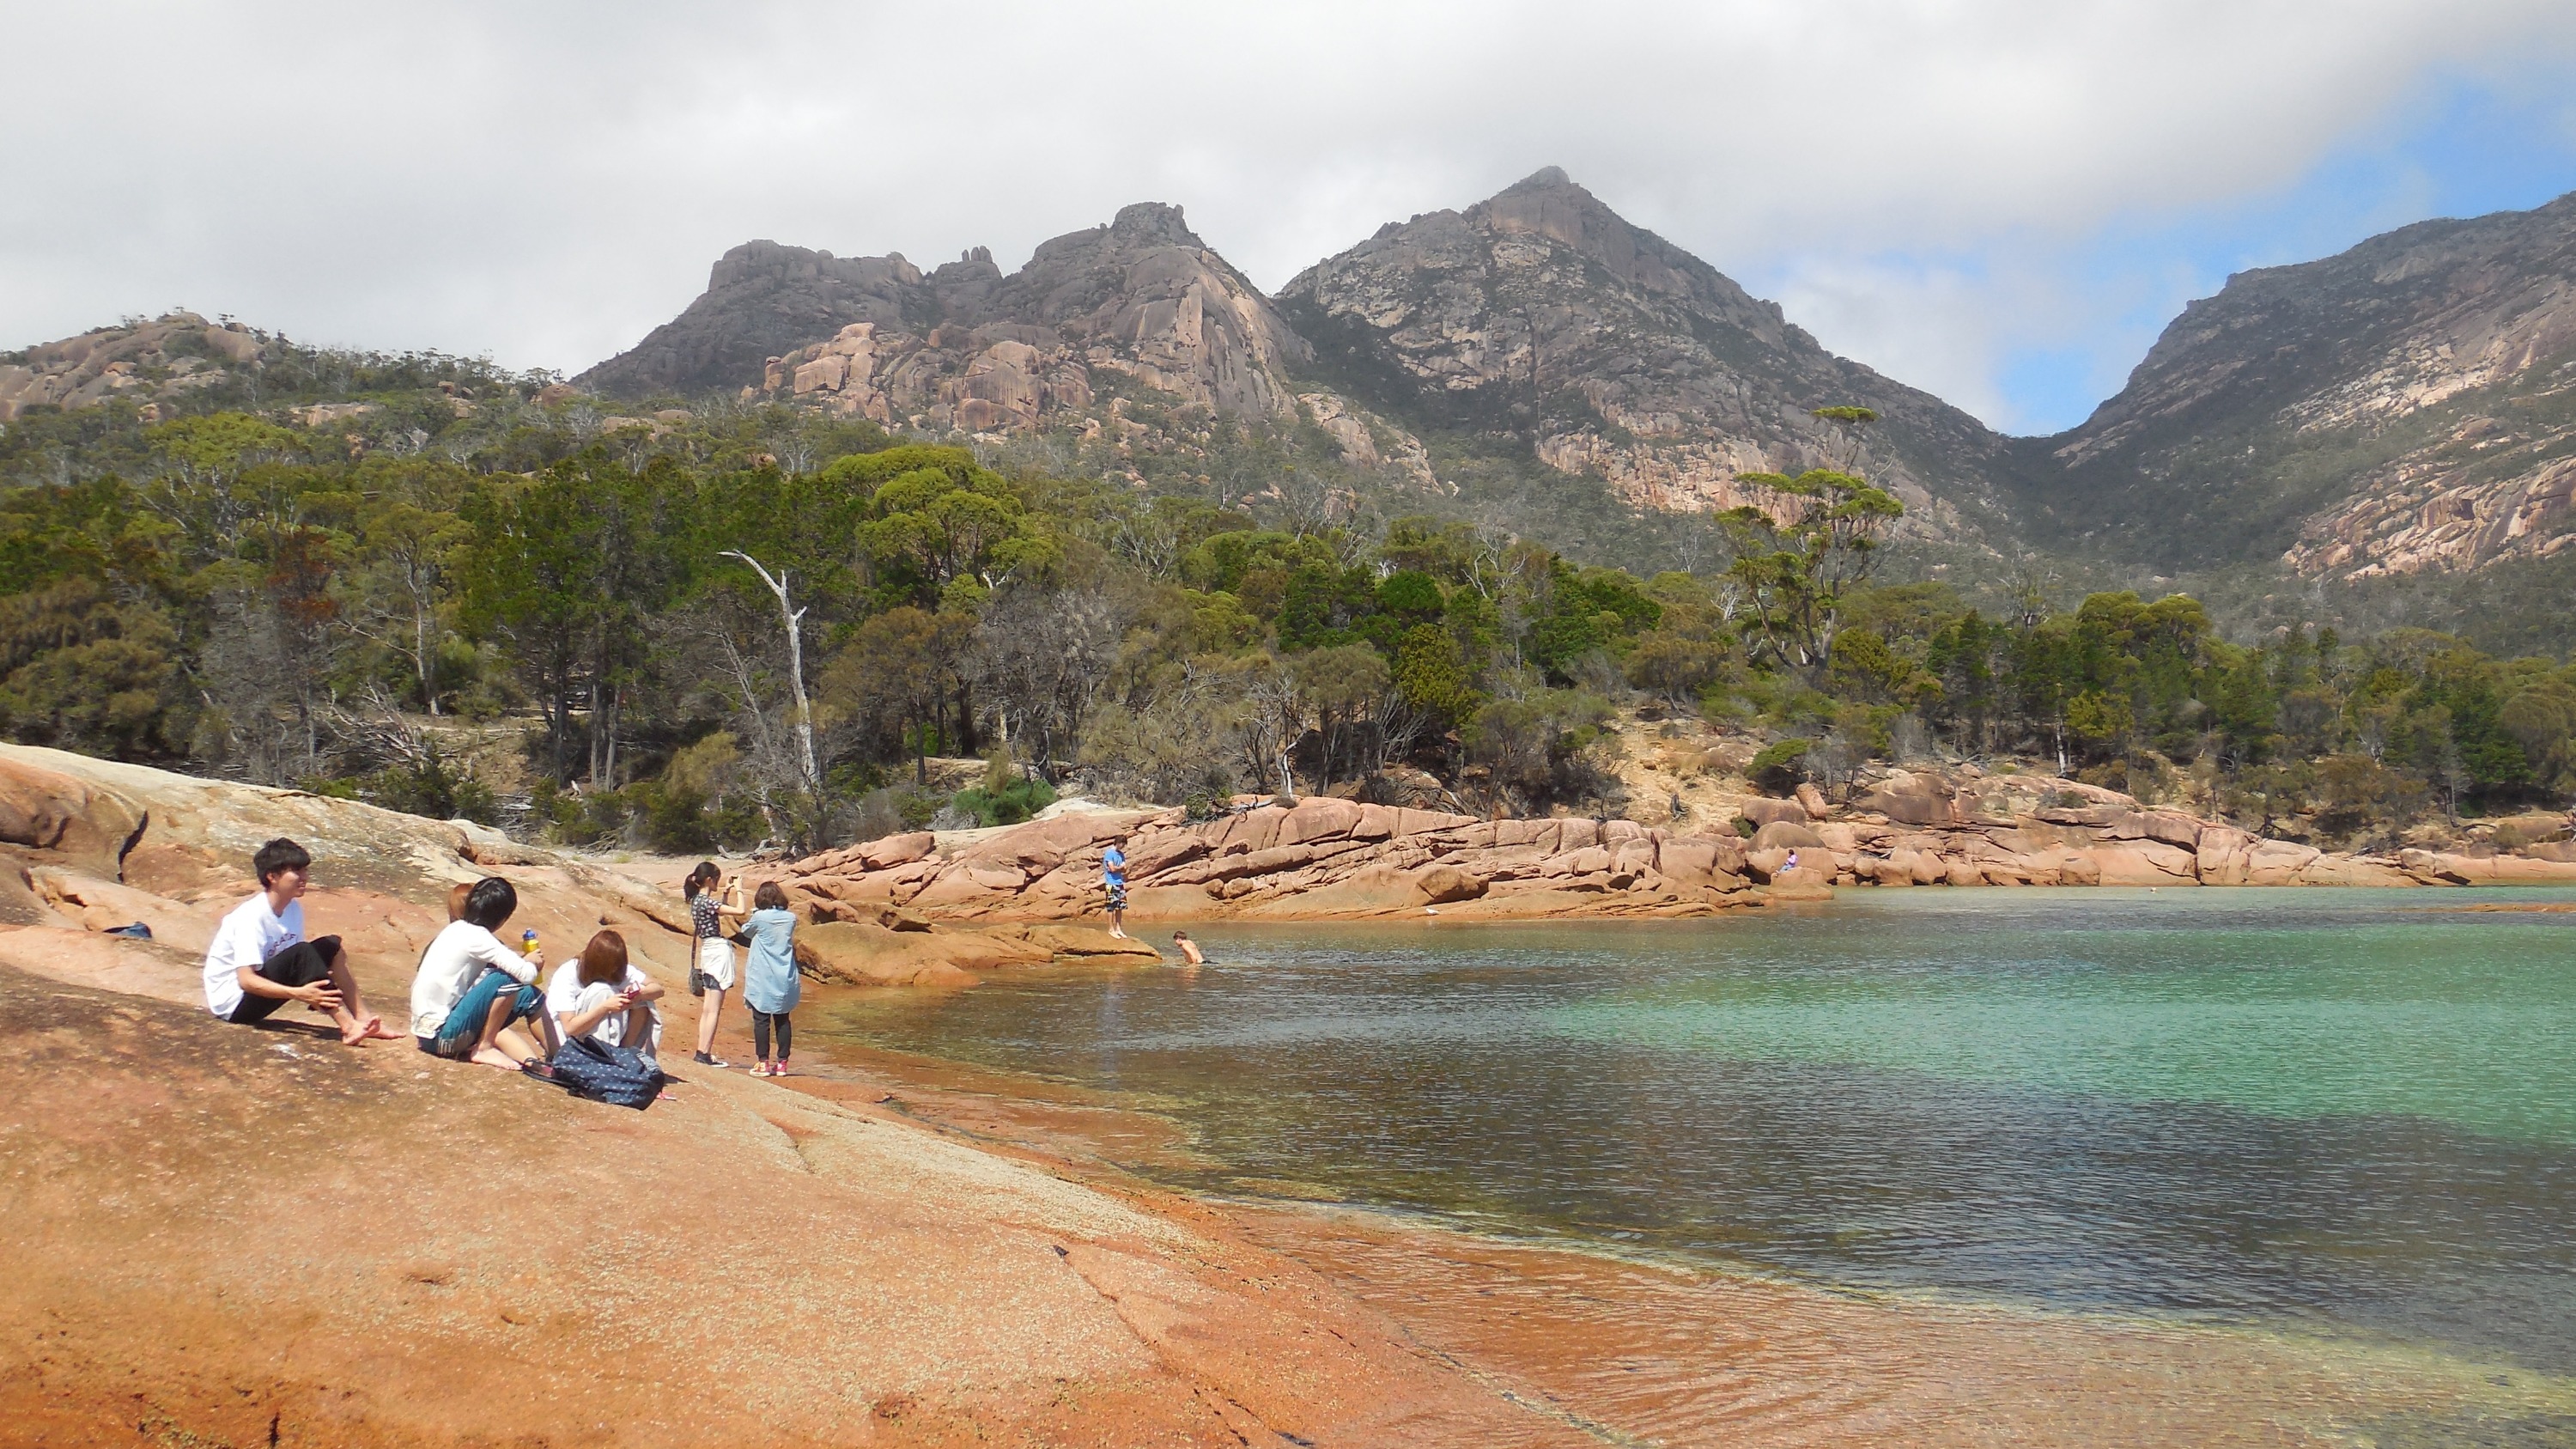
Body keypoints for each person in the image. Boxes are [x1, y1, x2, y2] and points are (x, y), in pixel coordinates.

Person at [201, 837, 397, 1045]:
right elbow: (246, 981)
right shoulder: (251, 917)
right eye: (296, 872)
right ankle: (347, 1026)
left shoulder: (293, 909)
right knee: (302, 953)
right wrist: (298, 994)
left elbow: (297, 964)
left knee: (332, 946)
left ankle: (364, 1019)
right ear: (272, 876)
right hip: (235, 1004)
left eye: (305, 871)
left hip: (262, 987)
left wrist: (311, 984)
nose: (304, 878)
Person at [410, 876, 555, 1076]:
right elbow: (526, 974)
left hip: (427, 1035)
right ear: (503, 918)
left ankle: (557, 1057)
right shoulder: (480, 937)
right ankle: (485, 1048)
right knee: (507, 978)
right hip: (443, 1038)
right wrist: (533, 961)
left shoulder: (455, 930)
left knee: (529, 996)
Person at [546, 928, 664, 1068]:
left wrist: (637, 995)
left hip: (606, 1037)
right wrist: (605, 1007)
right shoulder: (568, 973)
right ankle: (602, 1058)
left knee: (644, 1000)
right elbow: (569, 1027)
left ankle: (623, 1053)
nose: (614, 972)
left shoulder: (620, 971)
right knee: (603, 990)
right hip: (569, 1041)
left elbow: (658, 989)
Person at [734, 881, 799, 1077]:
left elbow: (746, 931)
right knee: (783, 1019)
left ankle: (763, 1063)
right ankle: (782, 1064)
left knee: (761, 1020)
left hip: (763, 976)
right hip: (785, 975)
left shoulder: (759, 917)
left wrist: (756, 913)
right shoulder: (790, 918)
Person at [683, 861, 744, 1068]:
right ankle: (704, 1054)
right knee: (714, 1009)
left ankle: (702, 1051)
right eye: (716, 879)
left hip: (707, 952)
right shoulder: (707, 903)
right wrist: (740, 890)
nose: (717, 883)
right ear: (709, 880)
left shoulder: (697, 902)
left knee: (708, 1008)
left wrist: (725, 893)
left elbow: (718, 911)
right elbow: (740, 910)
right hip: (718, 952)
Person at [1102, 842, 1128, 939]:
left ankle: (1118, 929)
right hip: (1111, 883)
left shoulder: (1121, 854)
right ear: (1118, 843)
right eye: (1122, 844)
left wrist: (1119, 868)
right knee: (1111, 907)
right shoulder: (1109, 853)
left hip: (1120, 883)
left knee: (1120, 907)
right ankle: (1111, 929)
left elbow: (1125, 869)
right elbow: (1112, 869)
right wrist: (1120, 867)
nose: (1123, 847)